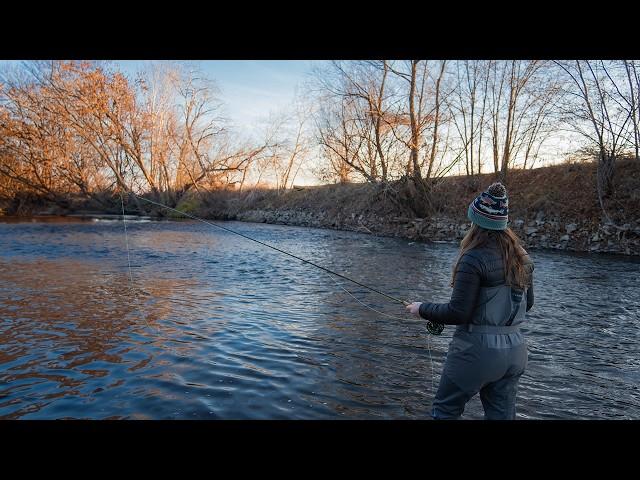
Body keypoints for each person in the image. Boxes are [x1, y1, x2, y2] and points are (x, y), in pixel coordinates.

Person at [406, 182, 534, 420]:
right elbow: (528, 304)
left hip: (477, 351)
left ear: (476, 222)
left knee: (445, 410)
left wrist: (422, 309)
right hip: (516, 351)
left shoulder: (473, 258)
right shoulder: (522, 257)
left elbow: (458, 313)